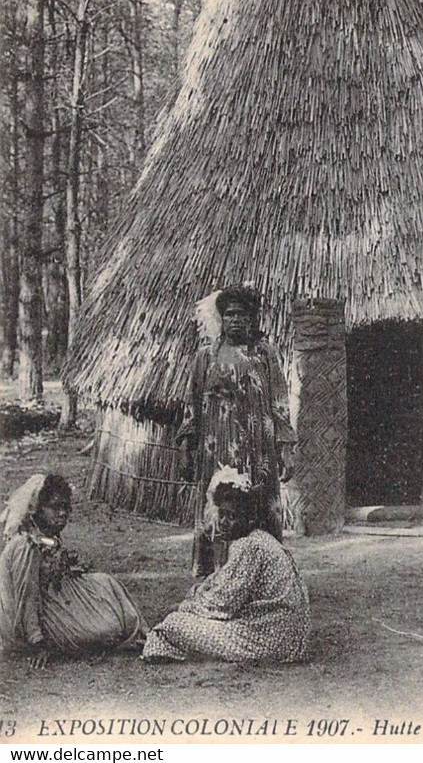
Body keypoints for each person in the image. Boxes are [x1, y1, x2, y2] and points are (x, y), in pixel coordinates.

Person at [177, 284, 296, 578]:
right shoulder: (206, 356)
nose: (236, 321)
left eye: (242, 315)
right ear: (222, 318)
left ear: (252, 318)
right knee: (220, 507)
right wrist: (185, 450)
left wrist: (286, 450)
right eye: (229, 315)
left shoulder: (265, 354)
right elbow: (191, 405)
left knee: (258, 506)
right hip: (215, 449)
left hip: (258, 451)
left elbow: (280, 402)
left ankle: (262, 575)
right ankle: (217, 574)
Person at [141, 466, 309, 663]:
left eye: (233, 516)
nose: (225, 522)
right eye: (222, 515)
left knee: (173, 624)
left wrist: (186, 606)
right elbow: (224, 585)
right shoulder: (259, 540)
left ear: (249, 519)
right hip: (285, 635)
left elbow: (222, 604)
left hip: (270, 639)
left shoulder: (249, 546)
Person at [0, 474, 145, 667]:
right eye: (55, 507)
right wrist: (38, 642)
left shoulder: (46, 536)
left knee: (107, 582)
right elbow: (26, 597)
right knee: (105, 629)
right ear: (37, 509)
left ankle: (144, 632)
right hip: (39, 611)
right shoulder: (26, 545)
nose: (62, 514)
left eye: (66, 508)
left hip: (55, 594)